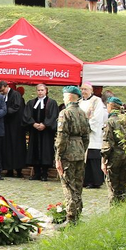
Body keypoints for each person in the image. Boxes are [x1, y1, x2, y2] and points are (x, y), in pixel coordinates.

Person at [54, 86, 90, 224]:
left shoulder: (65, 113)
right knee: (78, 186)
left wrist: (58, 157)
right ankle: (77, 214)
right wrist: (81, 149)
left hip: (68, 153)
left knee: (69, 186)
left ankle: (71, 218)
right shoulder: (82, 113)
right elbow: (87, 136)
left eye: (64, 96)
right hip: (80, 152)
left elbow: (61, 137)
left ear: (69, 97)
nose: (63, 99)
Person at [23, 83, 58, 180]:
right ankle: (37, 173)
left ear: (46, 91)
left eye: (42, 90)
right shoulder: (31, 103)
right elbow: (27, 115)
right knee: (35, 151)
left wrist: (45, 124)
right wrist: (33, 124)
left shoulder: (51, 103)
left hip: (46, 132)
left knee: (45, 151)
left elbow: (53, 116)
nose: (40, 92)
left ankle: (45, 173)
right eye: (38, 90)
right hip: (34, 131)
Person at [101, 96, 126, 203]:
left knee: (113, 188)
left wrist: (103, 161)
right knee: (122, 187)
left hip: (114, 157)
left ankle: (114, 212)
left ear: (110, 106)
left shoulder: (110, 122)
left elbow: (108, 143)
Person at [79, 82, 105, 189]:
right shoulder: (79, 102)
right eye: (82, 89)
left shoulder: (97, 101)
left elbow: (97, 117)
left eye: (86, 89)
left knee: (92, 157)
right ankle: (85, 180)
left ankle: (94, 181)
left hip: (92, 134)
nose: (84, 91)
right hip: (81, 134)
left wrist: (87, 127)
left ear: (91, 90)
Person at [0, 80, 26, 177]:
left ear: (6, 87)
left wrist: (4, 112)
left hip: (16, 126)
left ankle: (18, 170)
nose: (2, 93)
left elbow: (16, 107)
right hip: (7, 126)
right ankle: (9, 169)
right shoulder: (4, 96)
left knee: (17, 147)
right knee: (7, 148)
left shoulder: (15, 95)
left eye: (2, 90)